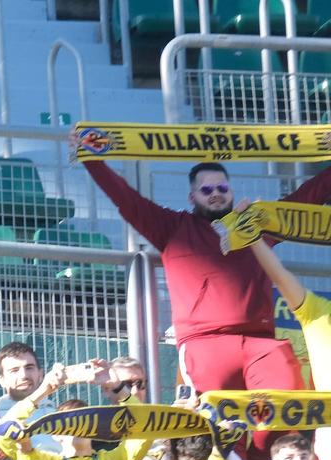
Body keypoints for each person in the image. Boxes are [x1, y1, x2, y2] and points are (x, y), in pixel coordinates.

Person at [74, 137, 331, 426]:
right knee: (213, 429)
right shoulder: (172, 227)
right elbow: (126, 199)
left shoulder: (253, 224)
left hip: (262, 343)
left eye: (222, 188)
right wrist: (92, 159)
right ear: (192, 197)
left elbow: (306, 197)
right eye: (206, 189)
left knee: (285, 414)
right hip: (204, 344)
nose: (216, 194)